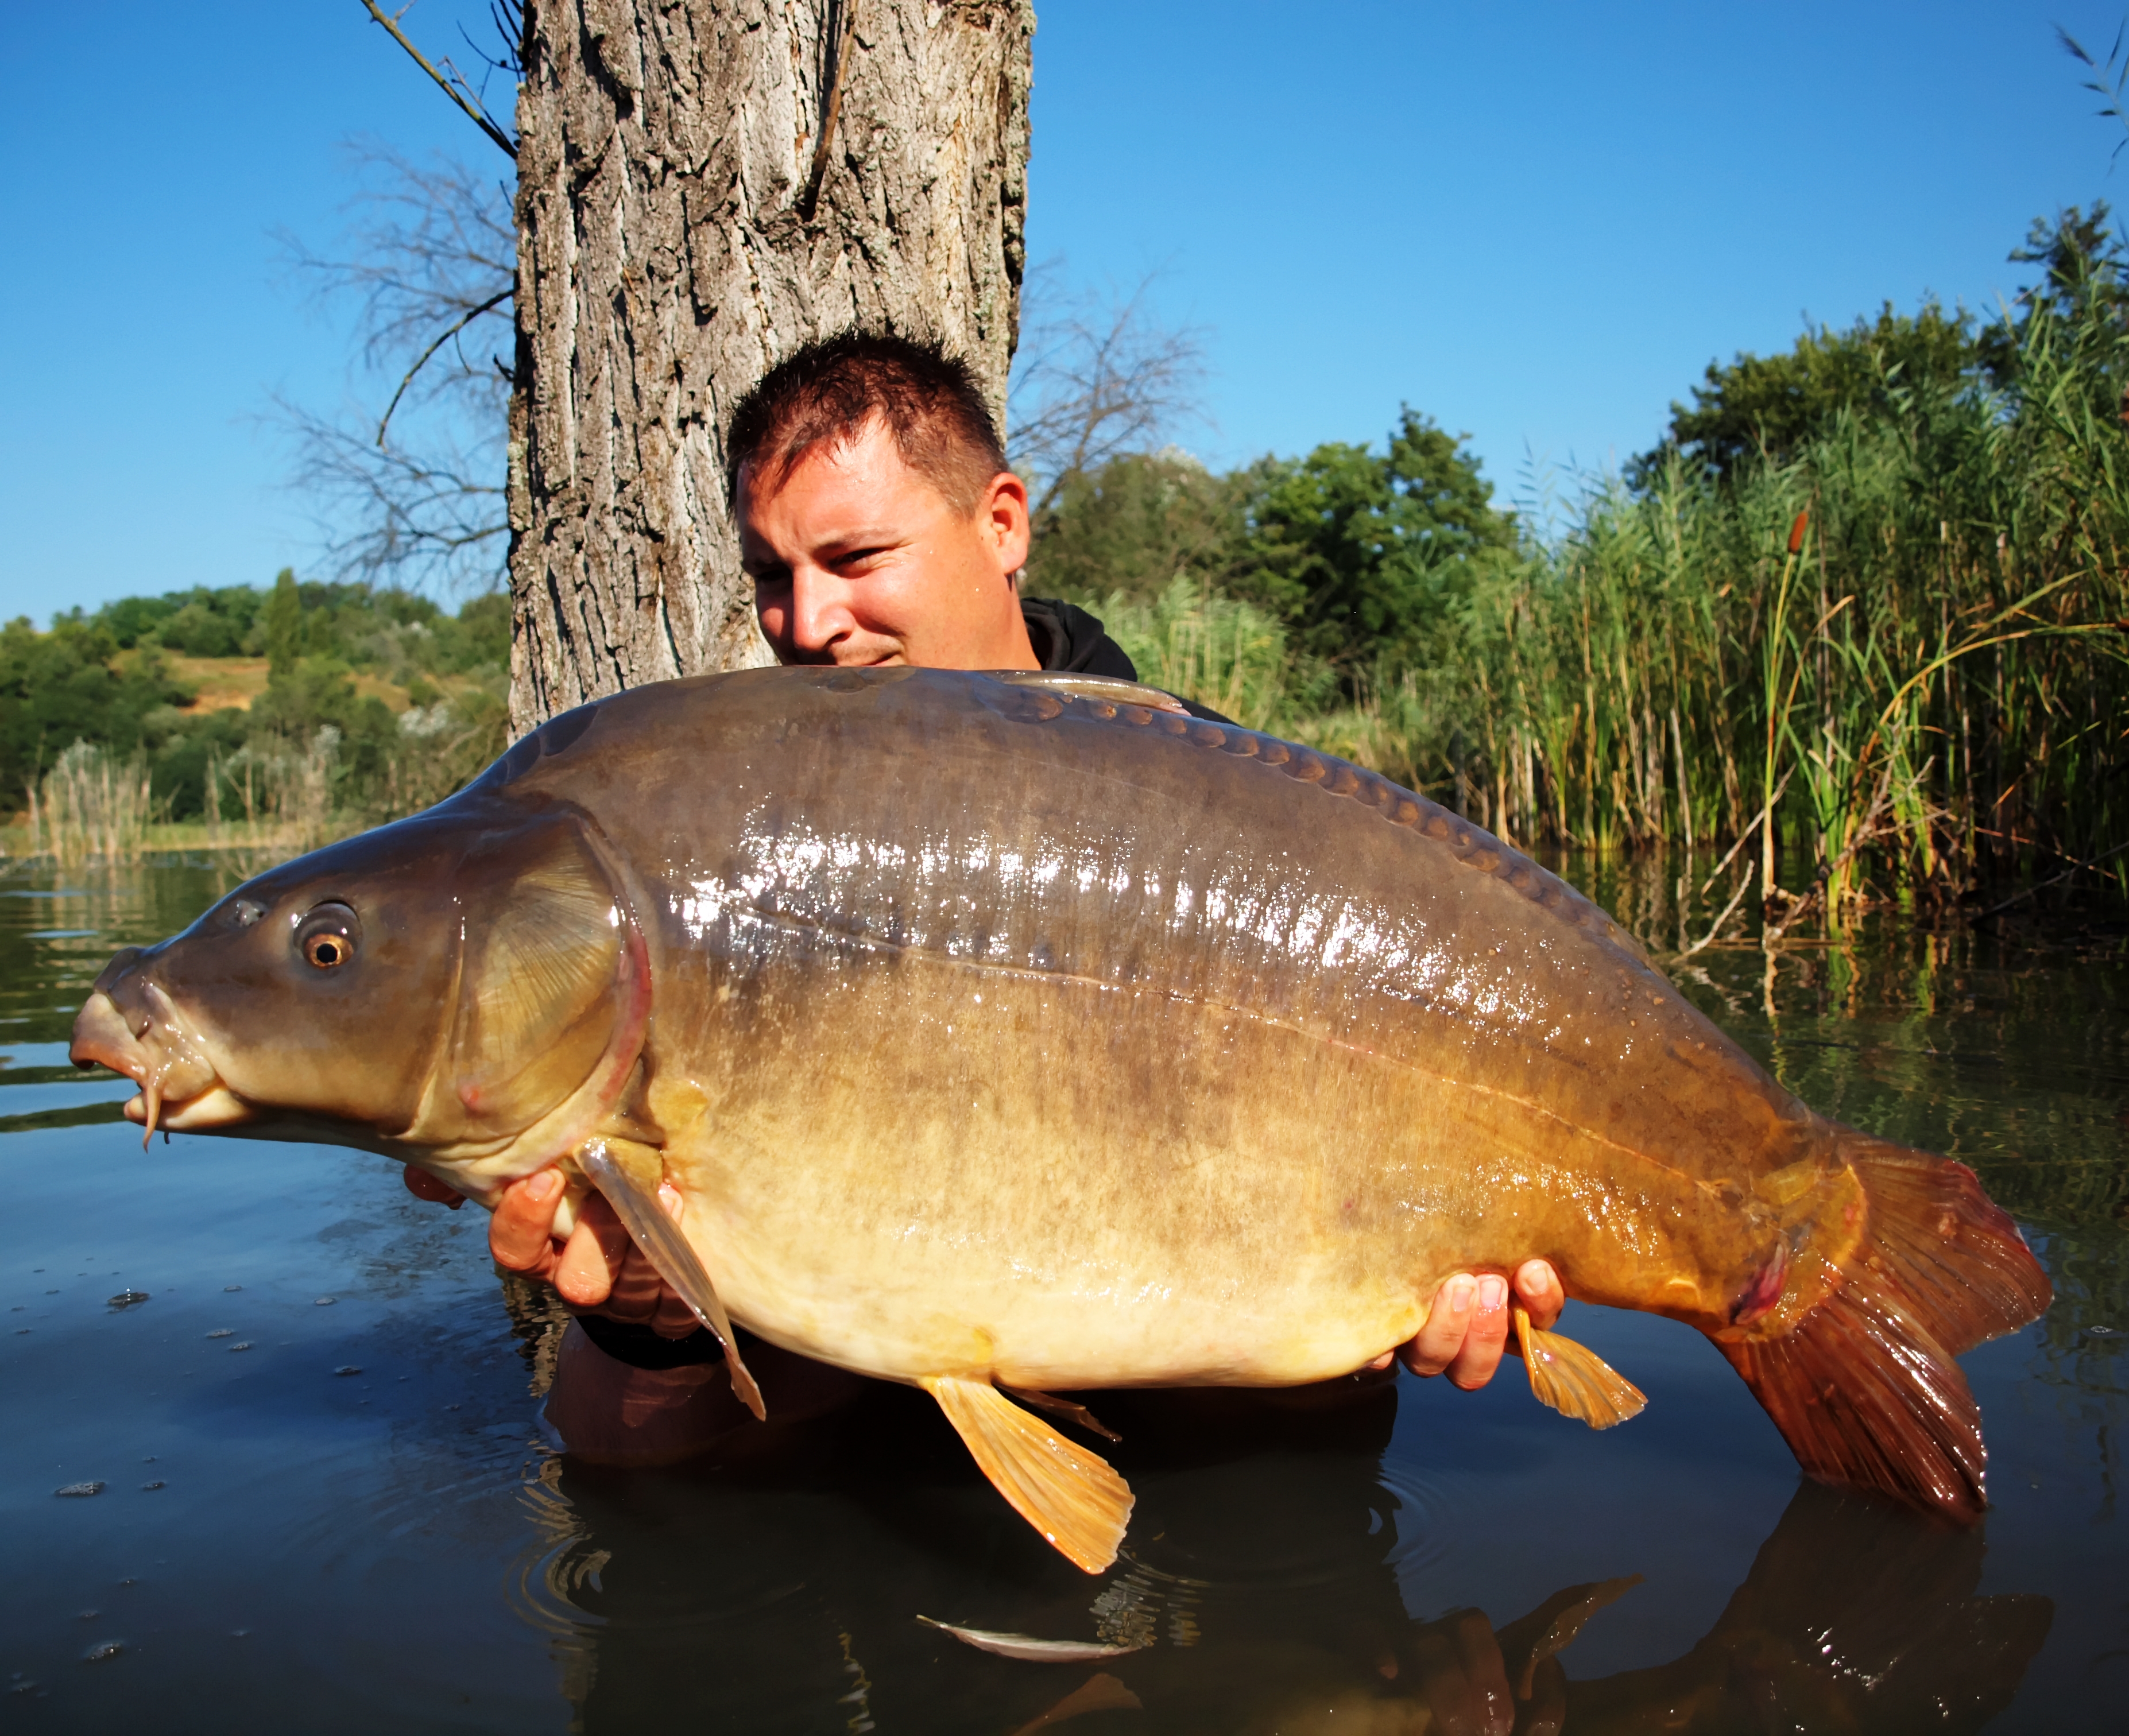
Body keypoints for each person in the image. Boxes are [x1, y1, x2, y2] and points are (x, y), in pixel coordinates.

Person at [408, 332, 1562, 1459]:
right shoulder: (733, 851)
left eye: (856, 560)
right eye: (772, 575)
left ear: (1000, 525)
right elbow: (613, 1451)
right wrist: (655, 1318)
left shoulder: (1236, 813)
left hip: (1193, 1514)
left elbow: (1322, 1413)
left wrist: (1367, 1342)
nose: (807, 626)